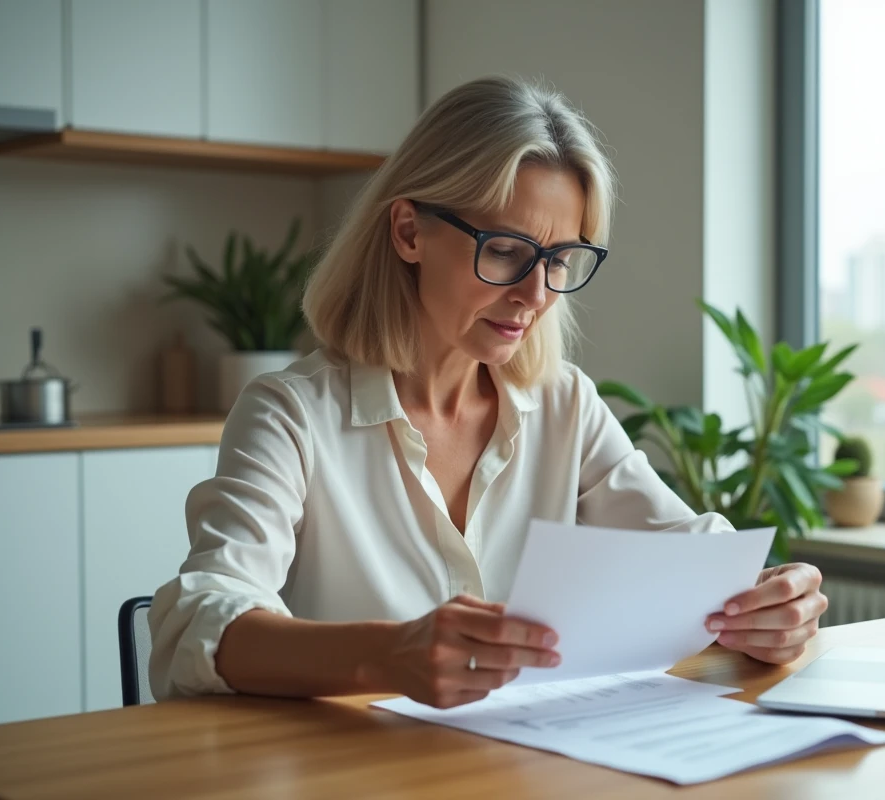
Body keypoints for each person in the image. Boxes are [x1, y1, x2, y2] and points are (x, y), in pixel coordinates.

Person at [149, 76, 828, 710]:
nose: (536, 296)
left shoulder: (563, 404)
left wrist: (772, 602)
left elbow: (694, 559)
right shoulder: (291, 413)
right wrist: (390, 654)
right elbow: (198, 625)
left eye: (559, 260)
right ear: (410, 232)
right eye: (506, 250)